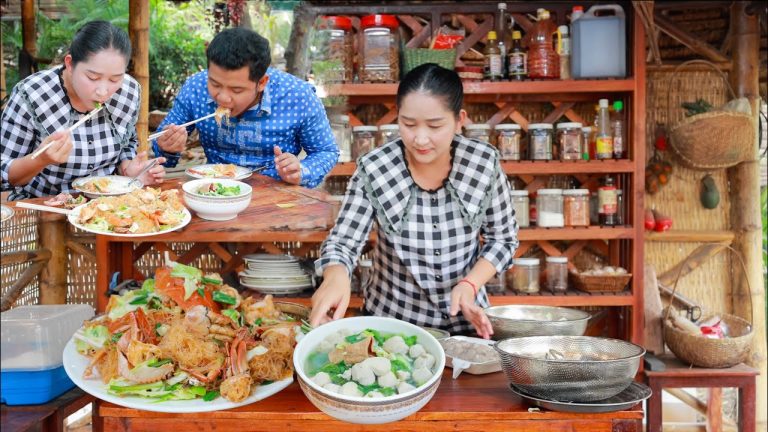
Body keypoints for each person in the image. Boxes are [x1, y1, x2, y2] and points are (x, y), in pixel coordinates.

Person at [310, 63, 519, 338]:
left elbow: (503, 239)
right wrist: (336, 276)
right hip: (391, 328)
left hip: (465, 326)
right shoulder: (376, 168)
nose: (420, 138)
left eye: (435, 126)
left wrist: (469, 284)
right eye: (408, 124)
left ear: (459, 121)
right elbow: (343, 243)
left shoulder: (483, 163)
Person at [153, 27, 338, 188]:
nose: (223, 98)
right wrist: (167, 148)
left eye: (236, 89)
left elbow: (326, 151)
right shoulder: (195, 88)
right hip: (214, 192)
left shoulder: (298, 96)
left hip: (279, 196)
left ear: (262, 82)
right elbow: (161, 151)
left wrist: (301, 171)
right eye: (215, 84)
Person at [1, 20, 165, 201]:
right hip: (45, 208)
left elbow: (127, 143)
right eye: (92, 77)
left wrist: (127, 168)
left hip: (109, 204)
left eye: (114, 79)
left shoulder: (128, 92)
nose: (103, 91)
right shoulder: (33, 94)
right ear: (70, 64)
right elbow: (5, 174)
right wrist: (41, 159)